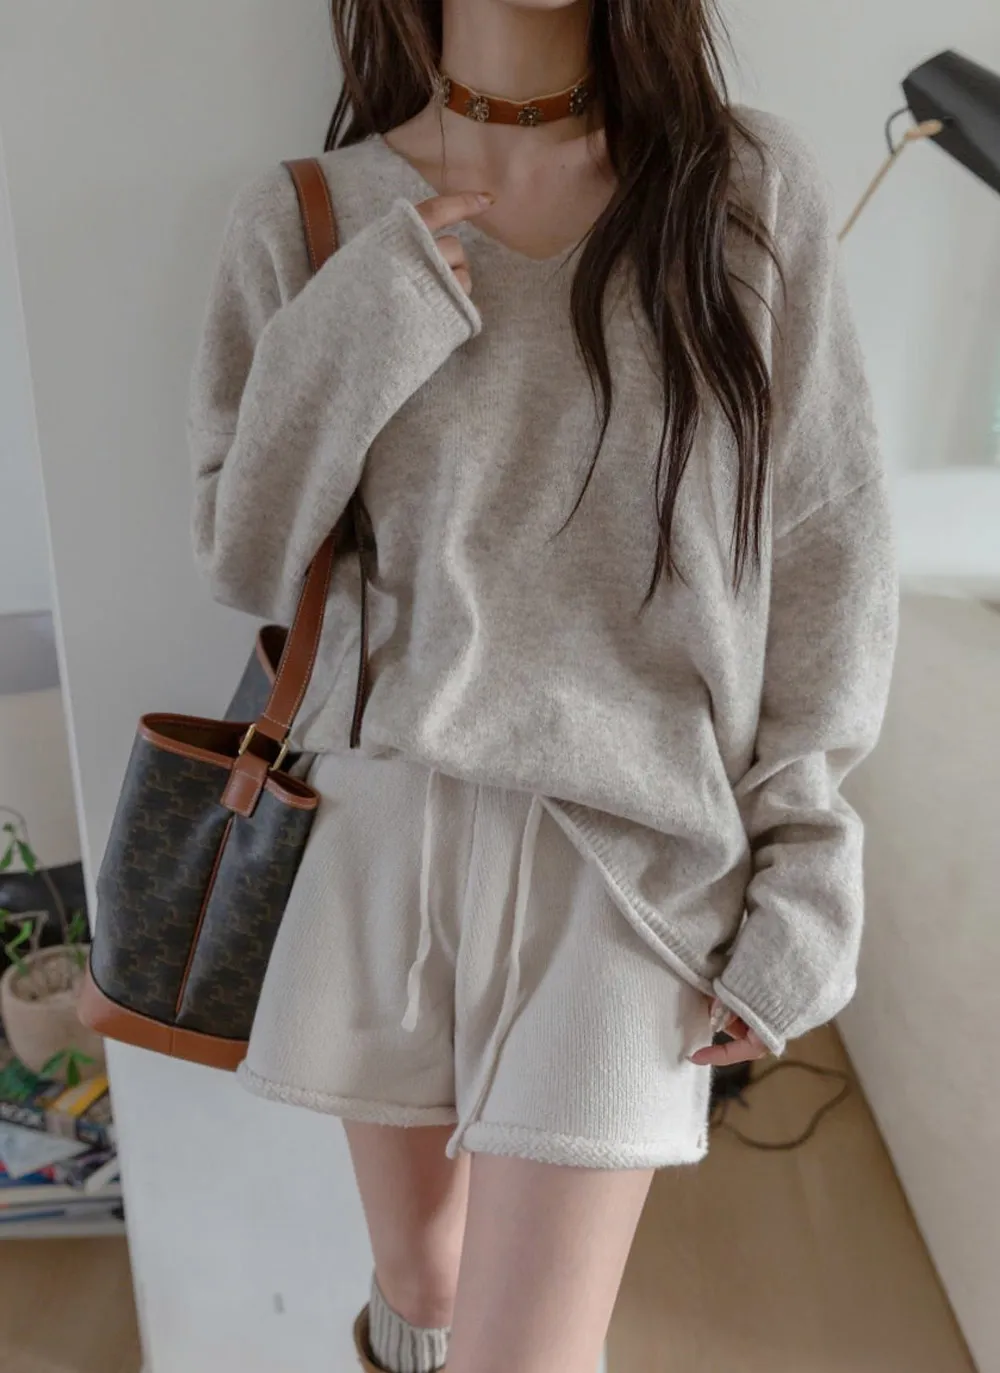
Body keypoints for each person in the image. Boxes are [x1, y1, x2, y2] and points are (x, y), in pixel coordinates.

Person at [187, 0, 898, 1367]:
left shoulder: (744, 189)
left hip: (631, 856)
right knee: (424, 1280)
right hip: (374, 827)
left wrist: (810, 860)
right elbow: (247, 556)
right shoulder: (311, 214)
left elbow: (827, 549)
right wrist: (367, 318)